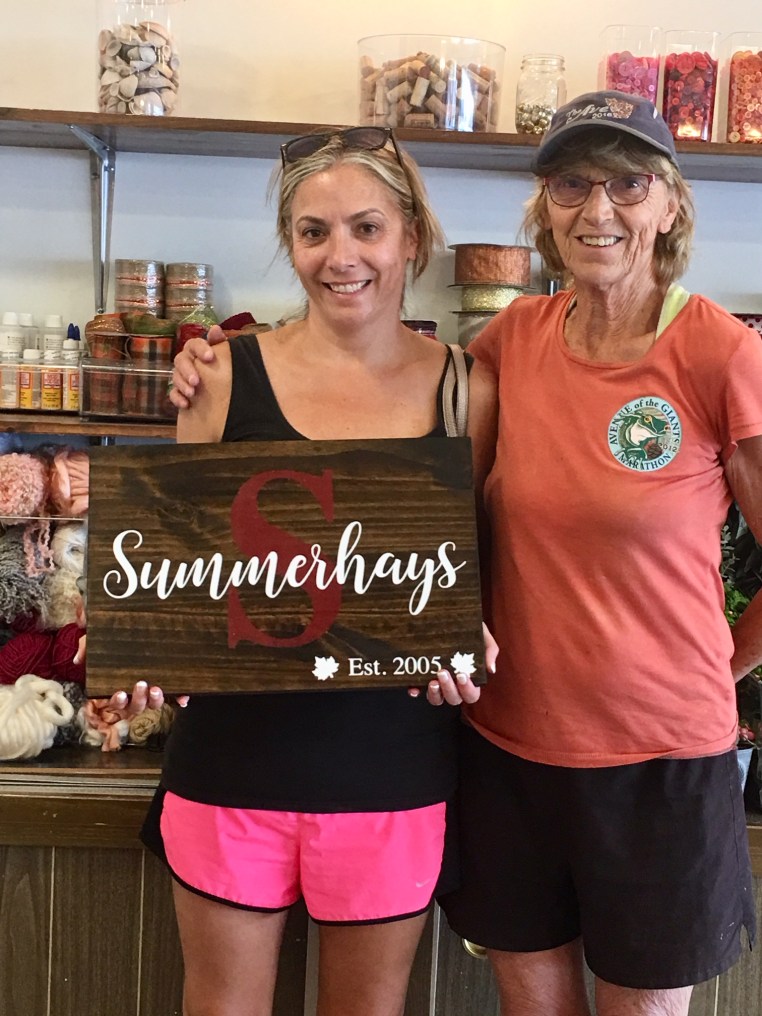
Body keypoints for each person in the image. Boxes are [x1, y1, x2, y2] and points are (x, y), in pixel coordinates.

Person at [173, 91, 762, 1016]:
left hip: (657, 763)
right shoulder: (507, 347)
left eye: (627, 184)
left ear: (670, 203)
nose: (598, 209)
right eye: (572, 184)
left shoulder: (720, 353)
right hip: (506, 748)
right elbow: (439, 534)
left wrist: (712, 671)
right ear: (544, 208)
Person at [147, 124, 497, 1016]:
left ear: (412, 237)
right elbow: (179, 576)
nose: (340, 257)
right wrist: (146, 652)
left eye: (366, 228)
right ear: (290, 243)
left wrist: (474, 639)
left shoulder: (470, 390)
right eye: (313, 232)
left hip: (392, 769)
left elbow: (481, 566)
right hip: (230, 763)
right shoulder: (221, 377)